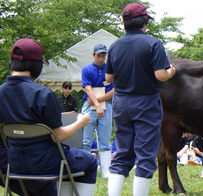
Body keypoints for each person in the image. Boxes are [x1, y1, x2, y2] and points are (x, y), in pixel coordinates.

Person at [0, 38, 97, 195]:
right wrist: (81, 122)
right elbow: (57, 136)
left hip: (14, 163)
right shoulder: (42, 94)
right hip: (45, 163)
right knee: (91, 162)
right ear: (35, 65)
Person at [106, 2, 176, 196]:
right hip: (146, 102)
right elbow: (160, 76)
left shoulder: (115, 45)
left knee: (122, 152)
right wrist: (171, 71)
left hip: (121, 102)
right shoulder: (153, 43)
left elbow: (108, 78)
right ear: (144, 22)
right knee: (145, 155)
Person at [81, 43, 115, 179]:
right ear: (93, 55)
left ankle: (106, 171)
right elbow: (87, 88)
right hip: (90, 106)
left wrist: (98, 101)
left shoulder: (110, 70)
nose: (101, 58)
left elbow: (114, 90)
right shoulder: (87, 69)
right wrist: (97, 104)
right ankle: (84, 168)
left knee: (105, 140)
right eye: (99, 55)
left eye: (103, 55)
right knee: (86, 141)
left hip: (106, 105)